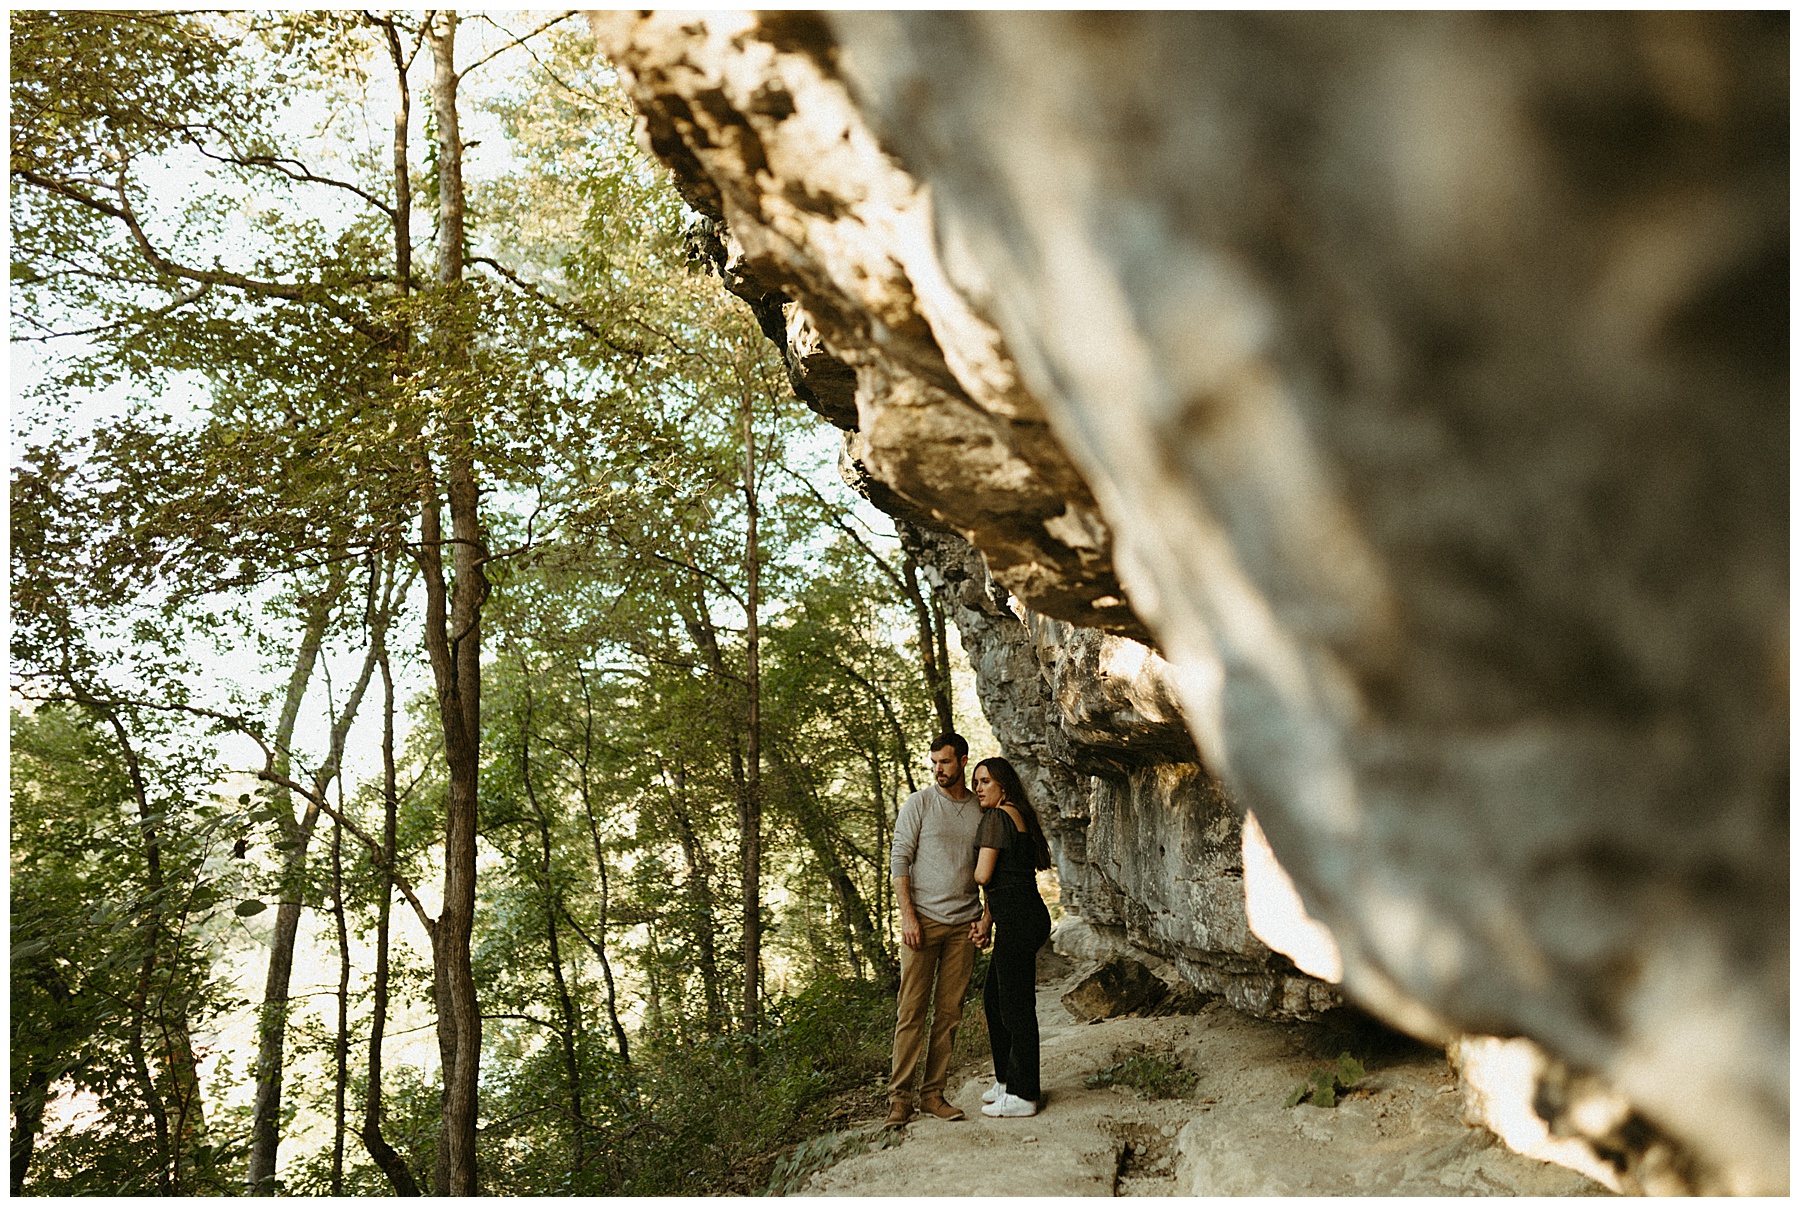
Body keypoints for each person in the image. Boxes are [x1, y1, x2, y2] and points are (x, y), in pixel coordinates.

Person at [885, 733, 987, 1126]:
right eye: (933, 764)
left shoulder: (980, 809)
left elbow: (991, 867)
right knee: (910, 1012)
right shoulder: (920, 803)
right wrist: (908, 917)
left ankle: (933, 1095)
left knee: (949, 1014)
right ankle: (899, 1100)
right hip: (922, 923)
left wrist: (984, 918)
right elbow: (900, 860)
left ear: (962, 761)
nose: (938, 770)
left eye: (945, 762)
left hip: (964, 924)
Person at [970, 756, 1054, 1118]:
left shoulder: (997, 817)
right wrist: (988, 919)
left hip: (1020, 919)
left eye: (985, 781)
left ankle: (1024, 1094)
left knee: (1016, 1005)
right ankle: (1006, 1080)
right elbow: (1007, 877)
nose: (978, 788)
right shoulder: (1015, 812)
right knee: (994, 998)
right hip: (1021, 916)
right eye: (975, 782)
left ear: (1002, 784)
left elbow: (984, 875)